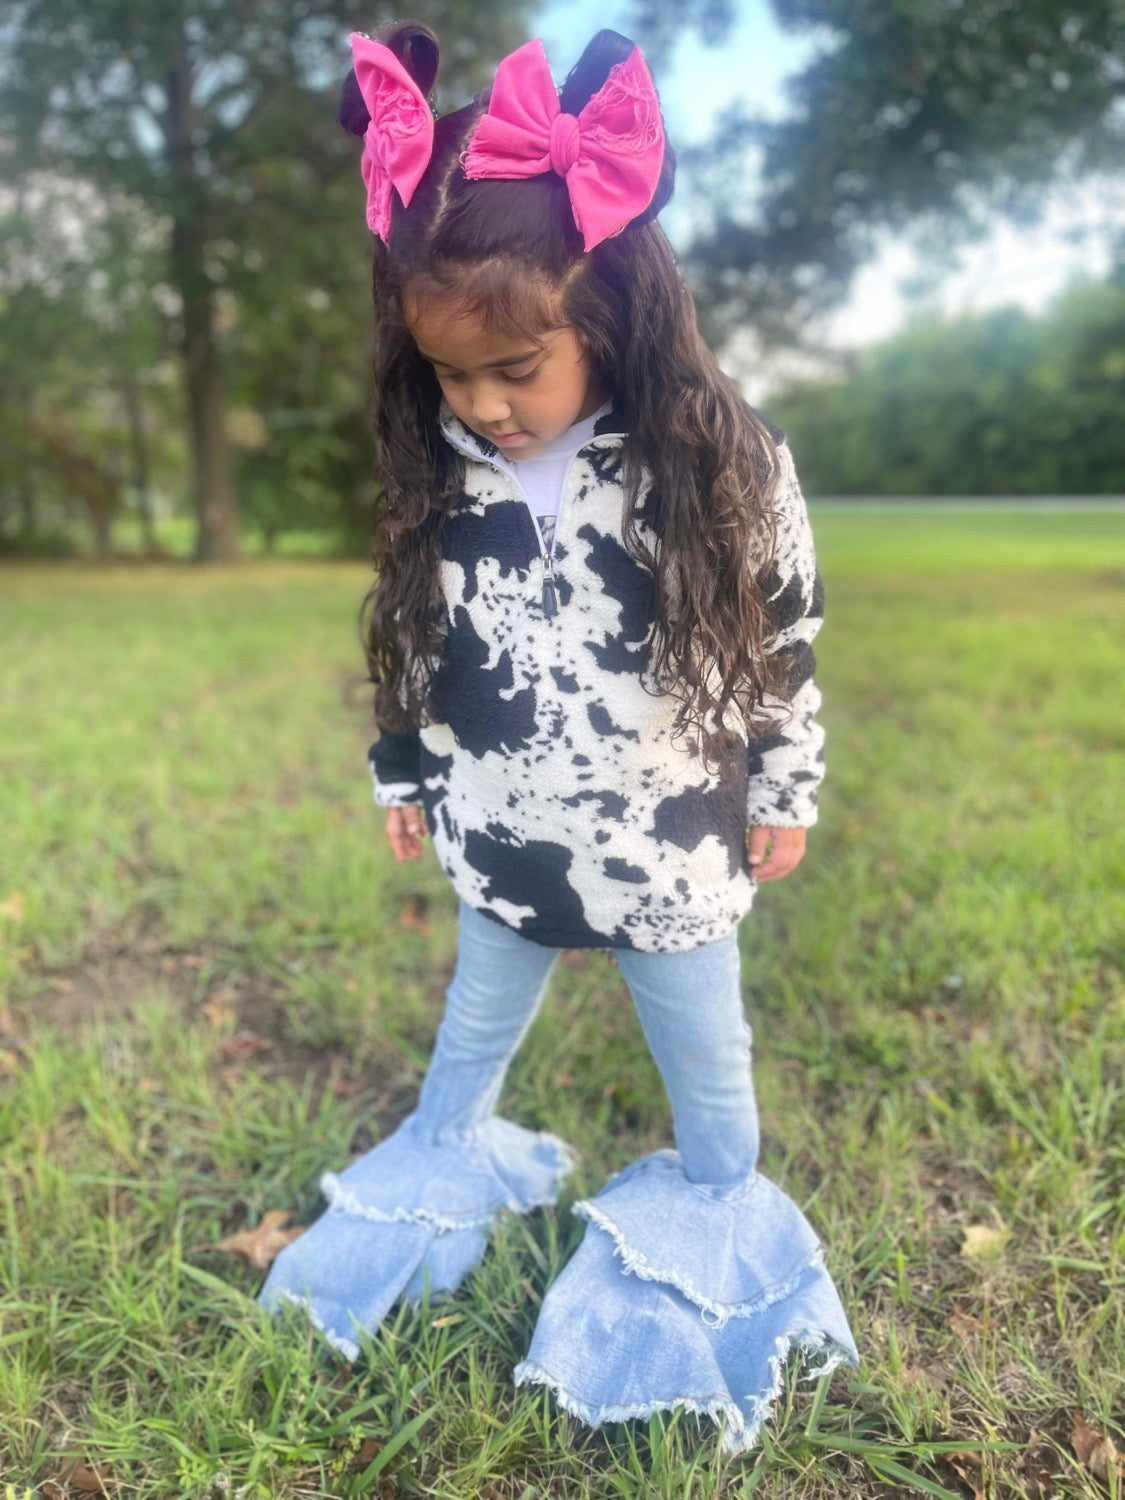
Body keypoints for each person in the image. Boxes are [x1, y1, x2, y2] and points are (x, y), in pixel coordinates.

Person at [259, 19, 859, 1455]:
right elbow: (419, 633)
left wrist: (783, 783)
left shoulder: (715, 462)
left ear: (613, 318)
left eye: (517, 368)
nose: (484, 405)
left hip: (667, 836)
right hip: (506, 826)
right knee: (473, 1025)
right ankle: (444, 1152)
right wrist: (406, 764)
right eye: (452, 374)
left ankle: (714, 1209)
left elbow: (780, 634)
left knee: (705, 1057)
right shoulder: (447, 465)